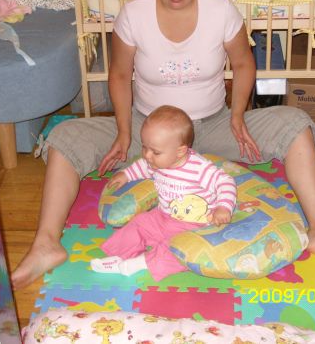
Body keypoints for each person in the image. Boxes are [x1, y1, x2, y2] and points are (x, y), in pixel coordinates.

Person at [11, 0, 315, 290]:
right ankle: (46, 244)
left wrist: (238, 116)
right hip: (149, 134)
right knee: (66, 137)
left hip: (212, 127)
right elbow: (118, 75)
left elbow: (244, 63)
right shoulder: (134, 13)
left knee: (294, 123)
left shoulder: (221, 9)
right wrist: (123, 132)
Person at [90, 105, 236, 281]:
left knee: (182, 251)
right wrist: (126, 174)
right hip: (161, 217)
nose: (147, 155)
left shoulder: (199, 168)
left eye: (155, 151)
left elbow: (225, 182)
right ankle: (120, 256)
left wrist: (223, 207)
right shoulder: (155, 161)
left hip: (194, 226)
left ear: (180, 151)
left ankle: (141, 263)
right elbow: (142, 166)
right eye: (144, 147)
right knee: (138, 223)